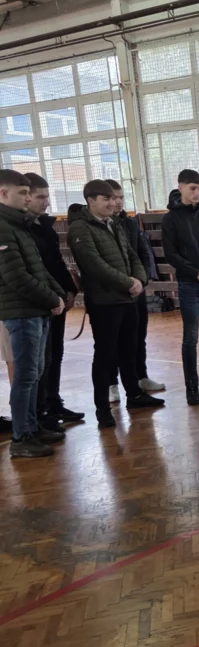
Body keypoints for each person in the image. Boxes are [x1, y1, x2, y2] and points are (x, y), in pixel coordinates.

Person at [68, 180, 165, 429]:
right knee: (105, 355)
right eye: (106, 199)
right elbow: (95, 265)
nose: (113, 203)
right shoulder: (80, 228)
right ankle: (102, 409)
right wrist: (128, 283)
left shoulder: (113, 223)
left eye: (114, 198)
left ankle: (134, 395)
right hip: (104, 303)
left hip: (127, 298)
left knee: (129, 350)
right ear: (91, 201)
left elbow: (132, 254)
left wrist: (139, 279)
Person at [0, 169, 66, 458]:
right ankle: (21, 437)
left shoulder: (19, 225)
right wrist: (52, 299)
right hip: (22, 311)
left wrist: (58, 293)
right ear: (3, 194)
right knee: (25, 377)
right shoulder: (3, 227)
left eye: (29, 193)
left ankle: (32, 426)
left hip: (36, 309)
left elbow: (38, 268)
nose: (28, 198)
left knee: (35, 373)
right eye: (23, 193)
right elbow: (17, 277)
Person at [23, 174, 84, 433]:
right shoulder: (22, 229)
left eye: (47, 196)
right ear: (26, 198)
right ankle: (39, 413)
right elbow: (33, 270)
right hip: (39, 301)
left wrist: (69, 289)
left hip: (57, 298)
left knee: (55, 354)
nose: (46, 202)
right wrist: (51, 296)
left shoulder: (45, 226)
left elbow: (56, 262)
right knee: (40, 361)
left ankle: (53, 401)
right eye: (41, 197)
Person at [161, 169, 199, 406]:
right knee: (190, 337)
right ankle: (192, 387)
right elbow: (171, 254)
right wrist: (196, 273)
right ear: (181, 187)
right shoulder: (170, 219)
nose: (197, 193)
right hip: (189, 284)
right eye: (192, 188)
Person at [106, 179, 164, 401]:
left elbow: (142, 254)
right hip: (113, 294)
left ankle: (141, 376)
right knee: (112, 341)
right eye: (113, 198)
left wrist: (141, 280)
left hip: (136, 290)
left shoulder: (129, 223)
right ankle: (111, 383)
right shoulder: (100, 226)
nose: (118, 202)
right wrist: (125, 282)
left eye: (121, 197)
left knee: (139, 336)